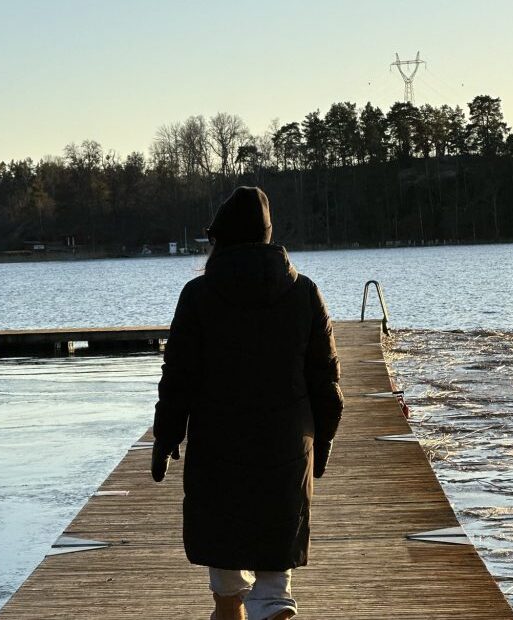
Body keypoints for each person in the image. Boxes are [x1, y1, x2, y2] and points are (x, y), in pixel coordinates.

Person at [151, 186, 343, 620]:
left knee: (226, 587)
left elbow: (178, 378)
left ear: (220, 240)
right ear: (268, 236)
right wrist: (324, 440)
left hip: (218, 454)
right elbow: (326, 379)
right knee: (275, 585)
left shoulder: (198, 295)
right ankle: (272, 607)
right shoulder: (304, 293)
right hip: (286, 450)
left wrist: (165, 437)